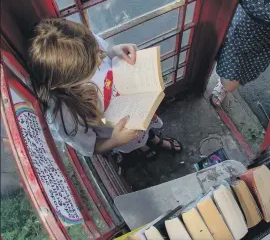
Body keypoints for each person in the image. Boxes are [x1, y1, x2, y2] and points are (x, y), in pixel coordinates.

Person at [28, 19, 182, 159]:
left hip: (134, 106)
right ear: (69, 81)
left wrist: (114, 51)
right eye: (94, 64)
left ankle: (153, 139)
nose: (101, 59)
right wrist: (116, 140)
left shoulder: (79, 41)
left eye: (98, 52)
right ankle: (142, 148)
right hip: (111, 128)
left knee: (146, 129)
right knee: (134, 140)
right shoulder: (66, 116)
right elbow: (90, 147)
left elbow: (103, 50)